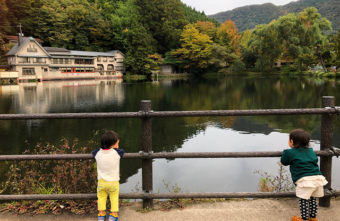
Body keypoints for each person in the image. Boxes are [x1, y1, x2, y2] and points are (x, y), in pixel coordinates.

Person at [281, 129, 328, 221]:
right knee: (313, 200)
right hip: (317, 178)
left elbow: (284, 162)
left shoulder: (290, 152)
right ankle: (313, 218)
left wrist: (285, 152)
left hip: (304, 180)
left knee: (303, 201)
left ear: (292, 141)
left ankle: (304, 219)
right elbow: (315, 160)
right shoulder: (310, 151)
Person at [92, 131, 125, 221]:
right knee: (114, 198)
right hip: (113, 182)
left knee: (101, 198)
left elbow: (94, 151)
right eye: (117, 143)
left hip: (101, 182)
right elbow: (122, 151)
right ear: (112, 145)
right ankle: (113, 215)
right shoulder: (117, 153)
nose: (118, 146)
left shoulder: (97, 153)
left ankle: (101, 215)